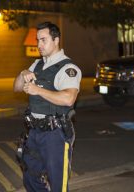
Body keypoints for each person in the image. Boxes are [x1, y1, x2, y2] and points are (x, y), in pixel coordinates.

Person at [14, 21, 82, 192]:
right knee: (30, 177)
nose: (39, 45)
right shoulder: (36, 65)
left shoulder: (68, 68)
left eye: (43, 40)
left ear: (56, 40)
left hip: (55, 134)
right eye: (37, 40)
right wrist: (23, 73)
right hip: (34, 132)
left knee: (57, 182)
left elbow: (68, 98)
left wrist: (38, 90)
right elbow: (16, 87)